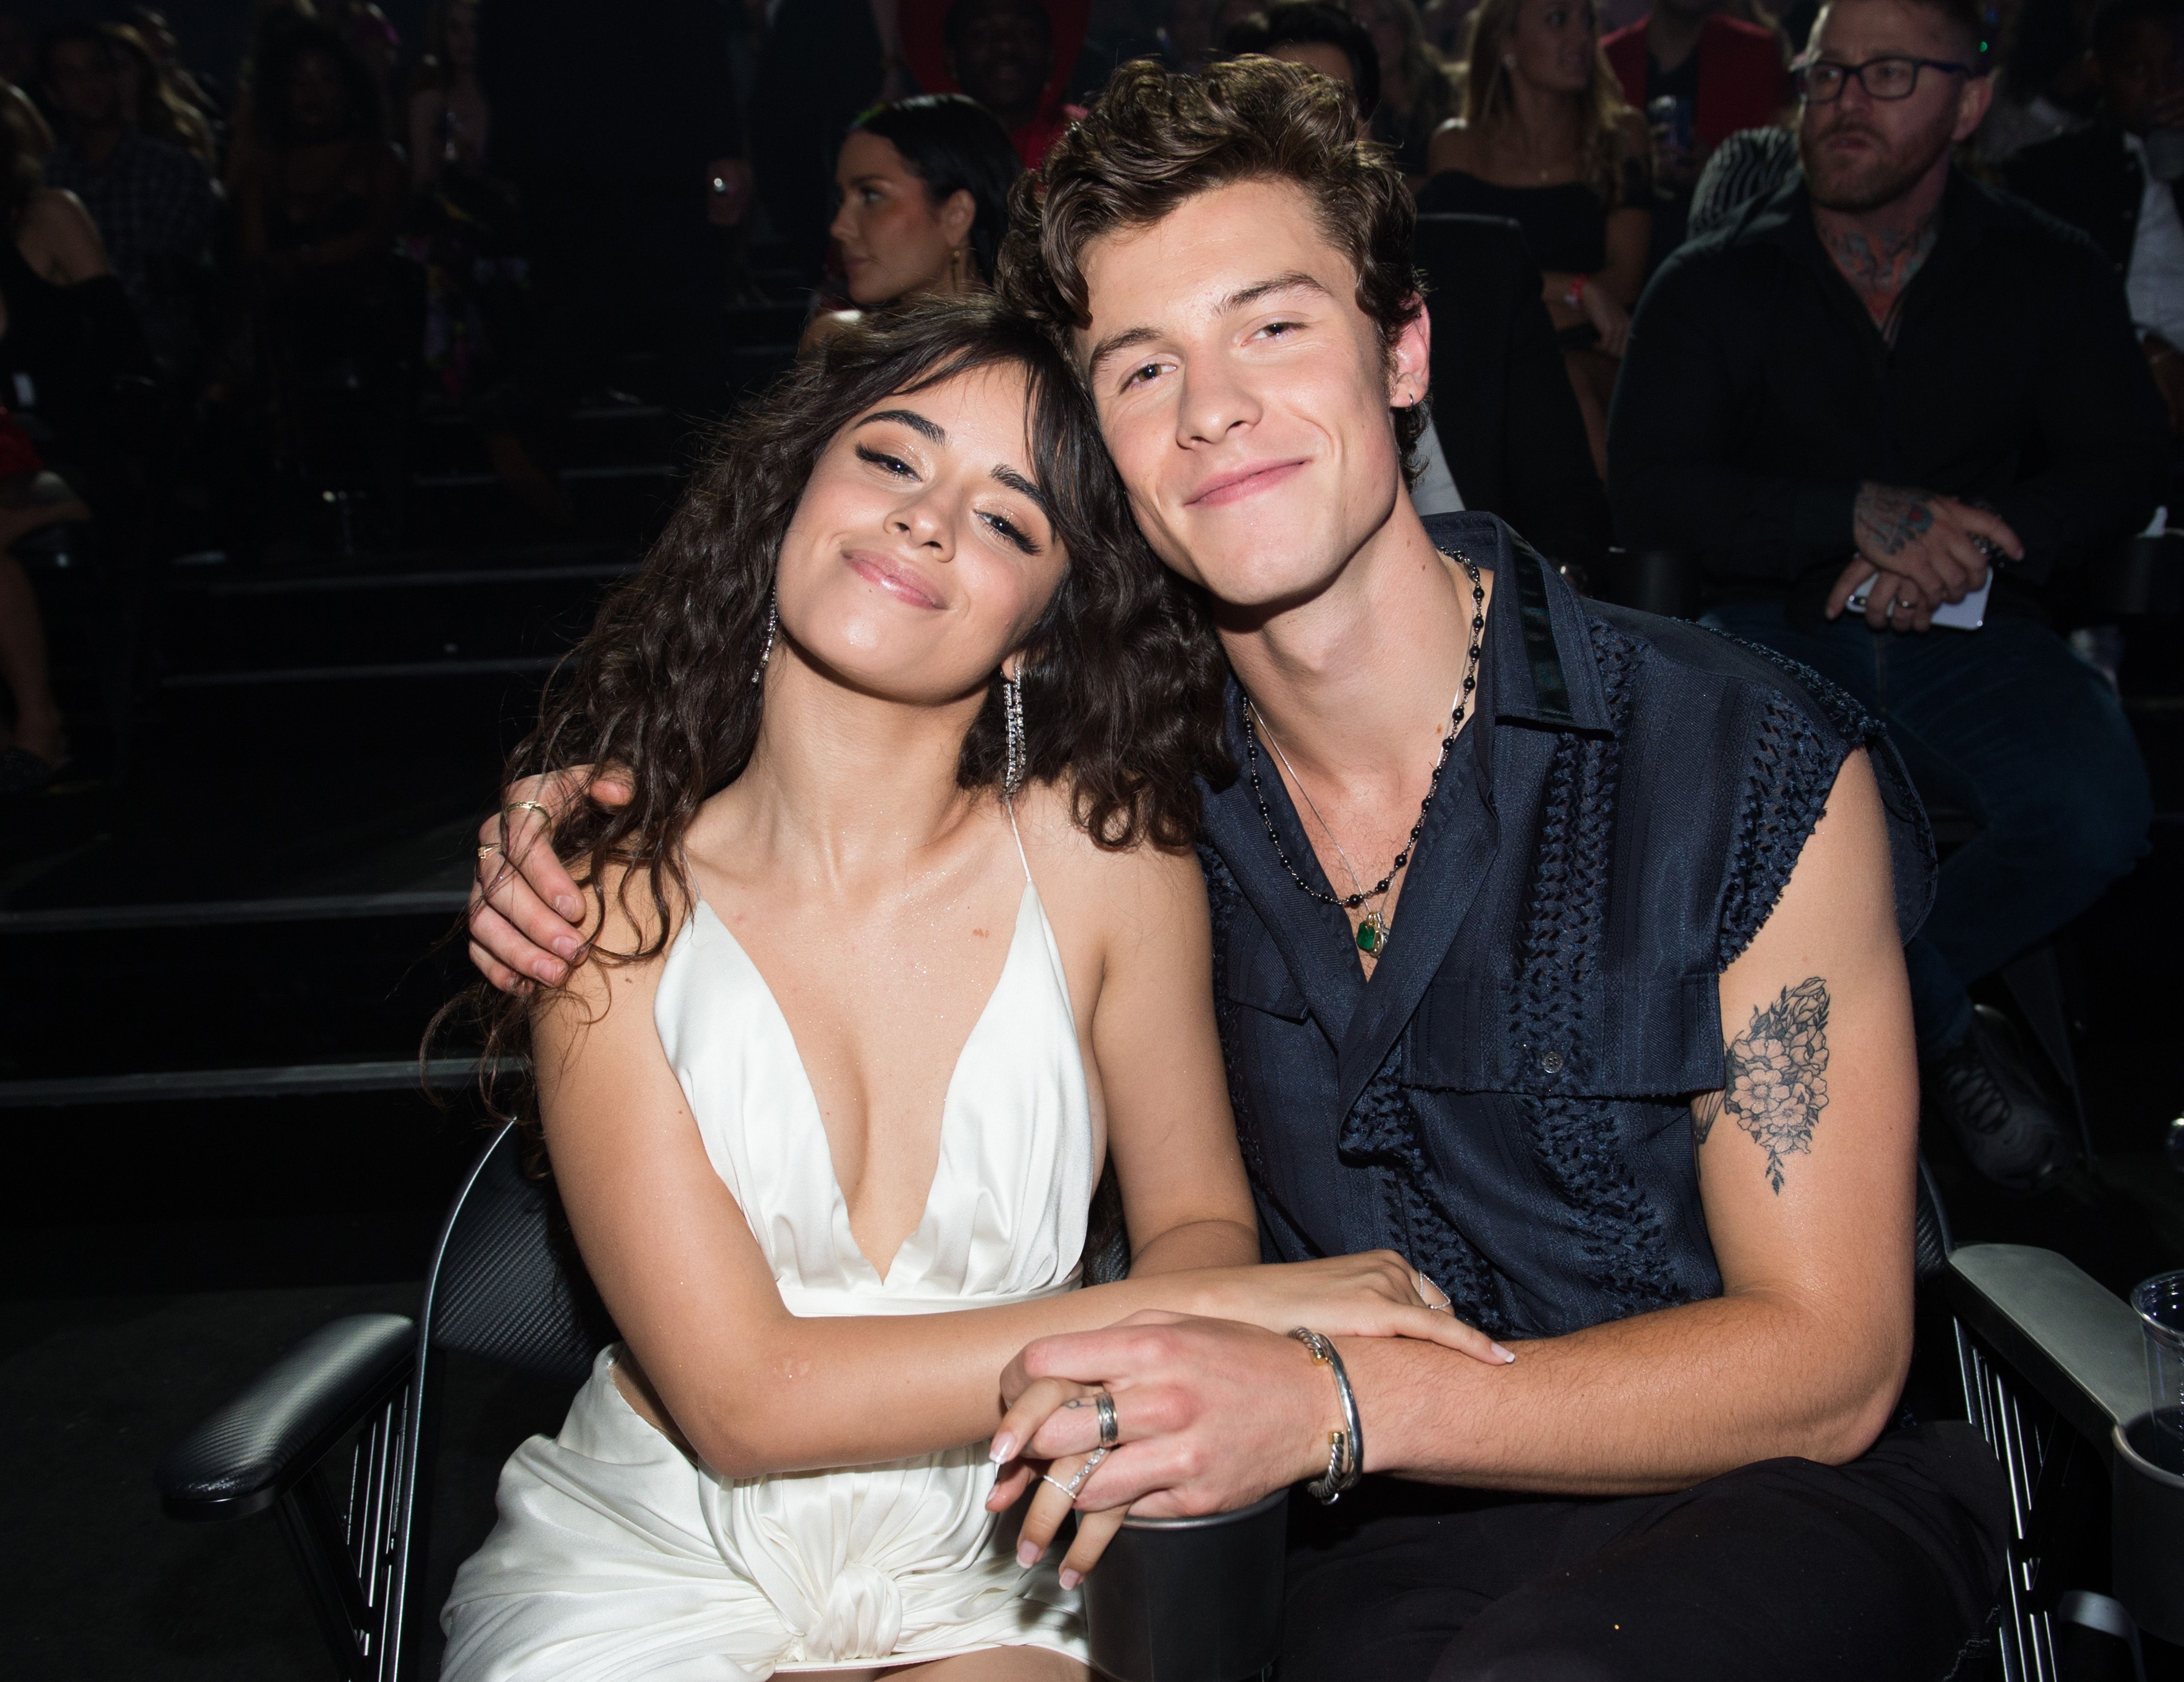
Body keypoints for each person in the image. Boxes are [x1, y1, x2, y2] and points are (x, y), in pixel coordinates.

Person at [468, 55, 2011, 1682]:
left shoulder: (1742, 758)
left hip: (1762, 1496)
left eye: (1273, 327)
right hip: (1351, 1534)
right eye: (1144, 368)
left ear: (1403, 348)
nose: (1211, 408)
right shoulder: (1133, 796)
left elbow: (1832, 1361)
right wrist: (566, 818)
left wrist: (1338, 1391)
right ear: (1108, 475)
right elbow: (845, 774)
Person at [439, 297, 1495, 1680]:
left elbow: (1191, 1219)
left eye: (1007, 520)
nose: (929, 521)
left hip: (1010, 1526)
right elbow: (748, 1400)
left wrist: (1192, 1311)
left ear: (1033, 633)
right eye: (890, 459)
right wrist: (1252, 1312)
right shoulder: (601, 895)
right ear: (789, 498)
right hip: (660, 1552)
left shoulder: (1104, 857)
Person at [1607, 0, 2167, 1193]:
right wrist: (1847, 517)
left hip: (1978, 634)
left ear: (1966, 103)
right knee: (1736, 825)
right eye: (1825, 75)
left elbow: (2123, 464)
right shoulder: (1710, 283)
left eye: (1885, 75)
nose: (1843, 101)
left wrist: (1980, 545)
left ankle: (1892, 1013)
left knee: (2094, 808)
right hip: (1771, 634)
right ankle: (1949, 1039)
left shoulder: (2044, 268)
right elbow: (1651, 490)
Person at [1422, 0, 1652, 473]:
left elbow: (1626, 280)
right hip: (1493, 353)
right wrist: (1575, 289)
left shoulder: (1622, 135)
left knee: (1565, 384)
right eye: (1557, 20)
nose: (1581, 38)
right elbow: (1456, 272)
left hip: (1596, 350)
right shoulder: (1457, 147)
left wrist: (1555, 298)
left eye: (1587, 21)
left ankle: (1601, 544)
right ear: (1507, 43)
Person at [2004, 0, 2184, 435]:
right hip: (2108, 398)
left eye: (2176, 64)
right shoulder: (2052, 174)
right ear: (2097, 71)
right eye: (2136, 70)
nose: (2162, 87)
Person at [37, 21, 213, 379]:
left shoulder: (171, 169)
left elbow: (164, 283)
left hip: (151, 353)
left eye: (98, 69)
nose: (90, 85)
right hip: (64, 354)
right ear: (52, 93)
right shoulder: (45, 179)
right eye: (71, 75)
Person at [801, 95, 1023, 354]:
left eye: (872, 195)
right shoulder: (835, 345)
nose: (839, 227)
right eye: (842, 200)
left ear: (957, 215)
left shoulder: (1038, 357)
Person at [901, 0, 1090, 168]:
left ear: (1051, 57)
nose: (1005, 46)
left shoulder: (1090, 140)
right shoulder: (920, 154)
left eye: (1026, 32)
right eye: (981, 34)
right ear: (951, 59)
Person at [1353, 0, 1464, 187]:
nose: (1370, 34)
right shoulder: (1356, 107)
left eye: (1382, 21)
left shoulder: (1447, 89)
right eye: (1360, 25)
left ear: (1404, 26)